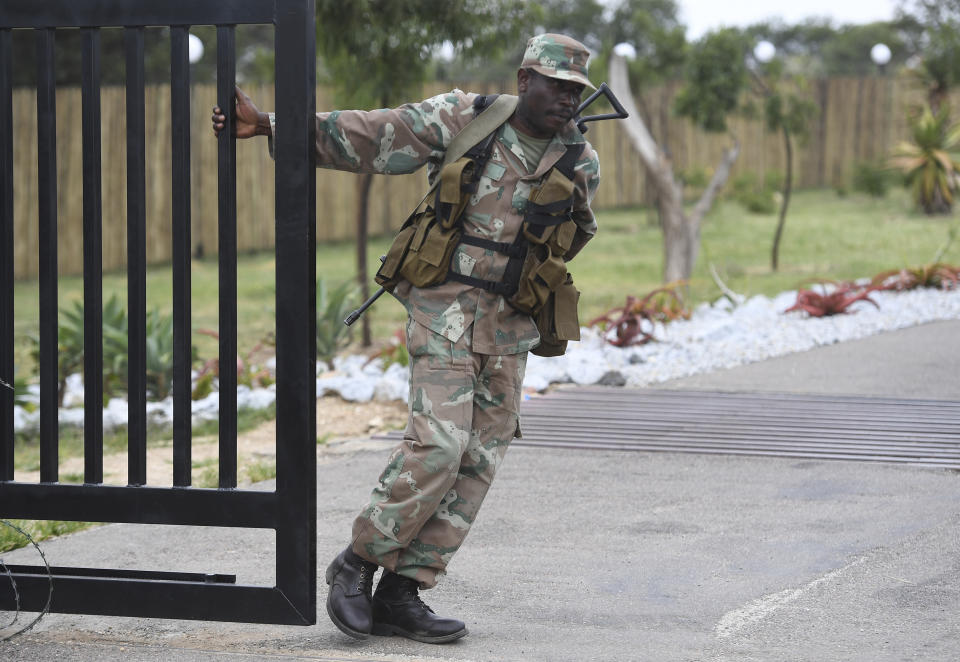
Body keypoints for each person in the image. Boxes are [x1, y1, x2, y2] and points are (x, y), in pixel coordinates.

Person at [212, 33, 600, 644]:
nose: (566, 100)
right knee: (439, 447)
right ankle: (358, 564)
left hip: (511, 325)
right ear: (526, 80)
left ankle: (403, 591)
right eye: (556, 86)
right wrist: (269, 126)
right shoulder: (466, 119)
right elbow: (375, 134)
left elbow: (572, 238)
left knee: (479, 457)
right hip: (443, 308)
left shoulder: (579, 160)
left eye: (575, 91)